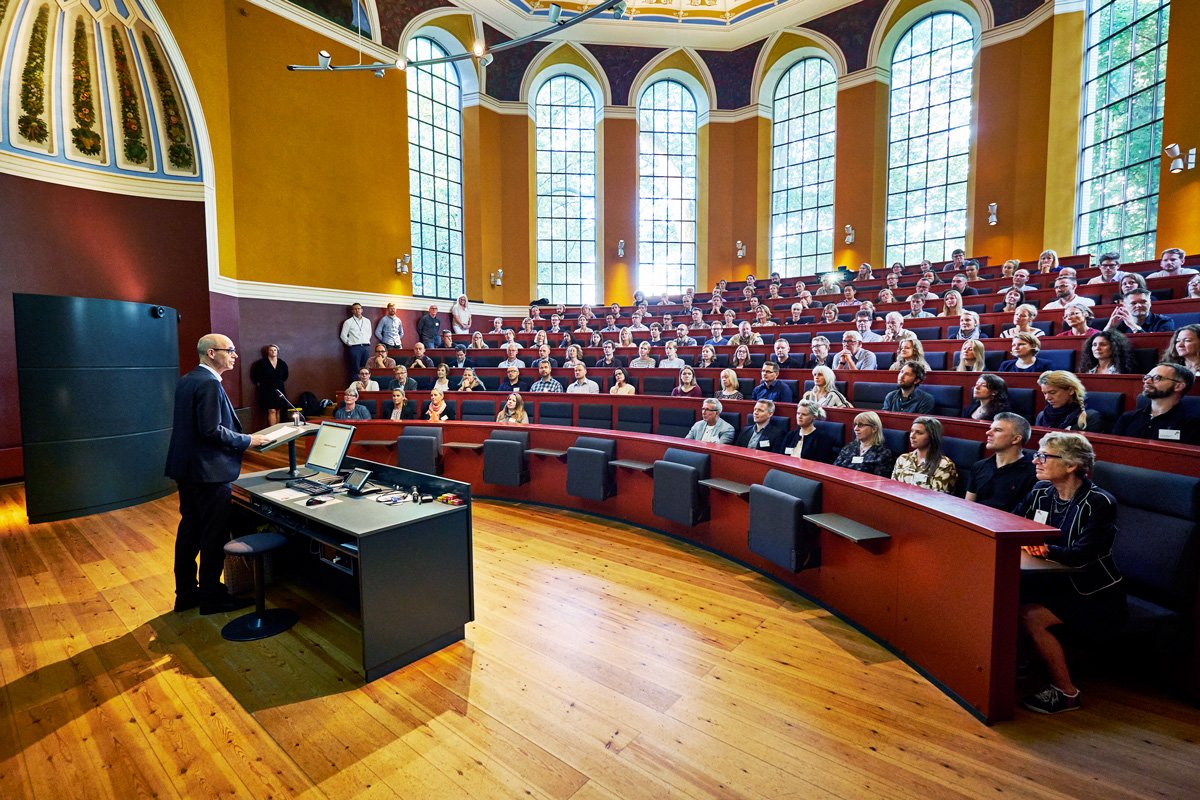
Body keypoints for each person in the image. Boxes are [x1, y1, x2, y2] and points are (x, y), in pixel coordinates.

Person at [1015, 432, 1124, 714]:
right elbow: (1011, 525)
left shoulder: (1100, 502)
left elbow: (1082, 555)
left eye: (1044, 456)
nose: (1035, 460)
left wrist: (1044, 549)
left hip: (1092, 592)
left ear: (1072, 465)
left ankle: (1066, 693)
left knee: (1030, 615)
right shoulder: (1039, 492)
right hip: (1050, 582)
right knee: (1004, 596)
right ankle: (1015, 666)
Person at [164, 334, 269, 614]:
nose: (235, 355)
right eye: (230, 350)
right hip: (208, 473)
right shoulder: (209, 383)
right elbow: (210, 430)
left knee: (190, 531)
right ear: (212, 353)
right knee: (213, 534)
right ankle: (212, 596)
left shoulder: (188, 380)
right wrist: (248, 440)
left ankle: (186, 593)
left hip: (187, 469)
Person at [1111, 363, 1199, 444]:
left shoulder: (1192, 424)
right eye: (1146, 377)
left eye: (1157, 378)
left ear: (1178, 386)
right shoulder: (1128, 418)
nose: (1147, 381)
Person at [965, 413, 1038, 510]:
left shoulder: (1034, 472)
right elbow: (967, 506)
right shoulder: (979, 466)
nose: (988, 433)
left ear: (1016, 439)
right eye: (990, 428)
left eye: (997, 430)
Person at [891, 416, 958, 494]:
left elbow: (938, 499)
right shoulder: (902, 459)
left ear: (932, 436)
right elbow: (893, 489)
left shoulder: (944, 465)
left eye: (919, 433)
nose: (912, 436)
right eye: (912, 431)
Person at [833, 412, 896, 477]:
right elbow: (835, 469)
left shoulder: (883, 453)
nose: (856, 429)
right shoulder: (849, 447)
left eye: (861, 425)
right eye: (855, 425)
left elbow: (878, 481)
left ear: (874, 429)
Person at [249, 344, 289, 427]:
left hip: (279, 388)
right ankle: (273, 430)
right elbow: (255, 376)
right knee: (272, 410)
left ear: (277, 352)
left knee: (278, 410)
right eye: (271, 350)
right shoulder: (261, 363)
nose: (273, 352)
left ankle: (278, 430)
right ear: (267, 351)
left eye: (275, 350)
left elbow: (285, 376)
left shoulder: (282, 363)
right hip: (267, 389)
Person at [1104, 289, 1176, 334]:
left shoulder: (1164, 322)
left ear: (1150, 303)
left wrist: (1133, 326)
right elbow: (1102, 342)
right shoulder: (1120, 324)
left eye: (1143, 302)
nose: (1138, 305)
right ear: (1125, 306)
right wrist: (1110, 326)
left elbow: (1158, 343)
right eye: (1133, 303)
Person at [339, 302, 372, 378]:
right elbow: (343, 335)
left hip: (366, 347)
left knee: (366, 369)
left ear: (362, 310)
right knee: (355, 369)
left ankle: (365, 387)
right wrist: (350, 343)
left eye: (359, 308)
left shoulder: (367, 321)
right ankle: (355, 387)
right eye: (355, 309)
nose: (357, 310)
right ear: (352, 311)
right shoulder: (348, 322)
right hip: (355, 348)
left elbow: (369, 333)